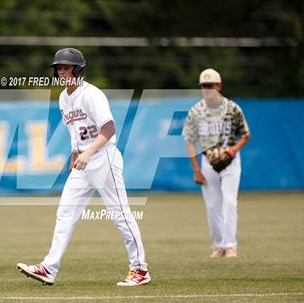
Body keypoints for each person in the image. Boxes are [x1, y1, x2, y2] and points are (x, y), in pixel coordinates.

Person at [17, 48, 150, 286]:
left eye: (66, 67)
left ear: (78, 70)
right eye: (58, 68)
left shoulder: (92, 94)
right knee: (65, 213)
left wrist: (88, 152)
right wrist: (75, 156)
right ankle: (49, 268)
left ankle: (140, 269)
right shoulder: (63, 98)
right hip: (83, 162)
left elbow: (109, 129)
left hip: (103, 157)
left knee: (120, 213)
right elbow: (75, 133)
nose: (61, 72)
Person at [182, 68, 251, 258]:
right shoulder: (196, 111)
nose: (207, 89)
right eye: (204, 86)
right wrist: (196, 170)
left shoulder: (232, 108)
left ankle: (231, 246)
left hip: (231, 161)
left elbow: (246, 135)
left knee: (229, 202)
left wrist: (232, 150)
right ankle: (219, 245)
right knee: (212, 205)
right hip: (208, 161)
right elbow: (189, 140)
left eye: (210, 85)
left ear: (219, 86)